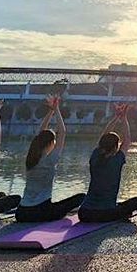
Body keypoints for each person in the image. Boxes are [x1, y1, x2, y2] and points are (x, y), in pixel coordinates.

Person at [15, 95, 85, 223]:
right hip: (41, 212)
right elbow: (62, 132)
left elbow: (40, 133)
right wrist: (56, 109)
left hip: (21, 212)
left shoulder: (30, 158)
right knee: (81, 197)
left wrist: (51, 111)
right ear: (50, 143)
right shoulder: (50, 160)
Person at [78, 103, 137, 222]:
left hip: (84, 213)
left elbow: (104, 136)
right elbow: (127, 139)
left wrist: (116, 117)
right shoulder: (116, 160)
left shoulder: (95, 157)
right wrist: (123, 118)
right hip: (105, 213)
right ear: (115, 147)